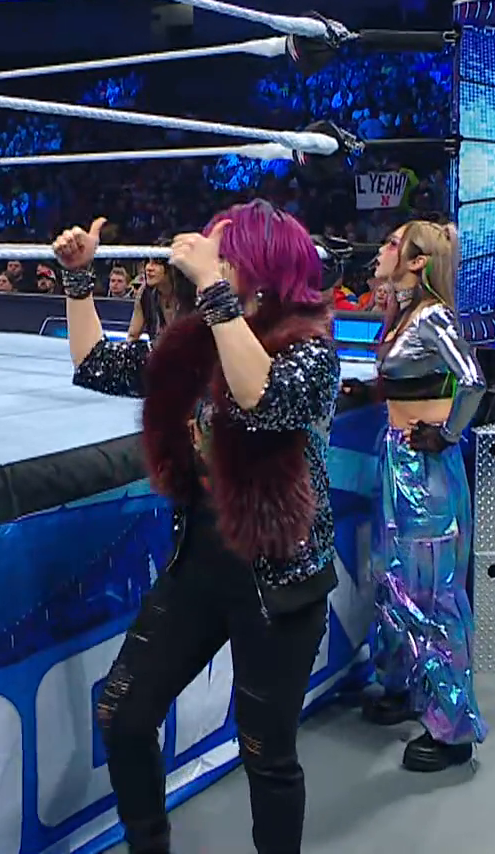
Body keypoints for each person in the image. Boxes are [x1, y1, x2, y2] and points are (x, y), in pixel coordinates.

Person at [54, 202, 339, 854]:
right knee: (123, 714)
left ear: (259, 266)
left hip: (279, 581)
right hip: (201, 563)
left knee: (266, 751)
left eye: (223, 254)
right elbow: (96, 363)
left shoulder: (308, 348)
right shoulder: (191, 340)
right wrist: (78, 278)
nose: (206, 261)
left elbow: (261, 398)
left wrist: (212, 290)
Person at [344, 219, 487, 772]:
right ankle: (405, 684)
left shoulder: (431, 316)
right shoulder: (405, 313)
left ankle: (452, 727)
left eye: (392, 243)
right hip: (398, 458)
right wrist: (373, 391)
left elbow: (472, 379)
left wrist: (448, 434)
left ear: (417, 259)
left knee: (431, 588)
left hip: (425, 467)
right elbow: (412, 378)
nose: (382, 249)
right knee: (395, 576)